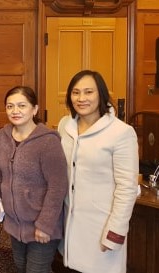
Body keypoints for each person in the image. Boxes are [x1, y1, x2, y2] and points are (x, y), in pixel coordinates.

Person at [57, 70, 139, 273]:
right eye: (75, 92)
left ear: (101, 94)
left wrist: (115, 232)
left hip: (101, 228)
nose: (81, 98)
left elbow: (127, 188)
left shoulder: (121, 132)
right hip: (68, 224)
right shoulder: (64, 126)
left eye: (88, 92)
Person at [0, 86, 68, 273]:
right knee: (21, 267)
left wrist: (45, 225)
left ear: (35, 109)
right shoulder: (1, 137)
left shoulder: (48, 141)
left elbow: (57, 186)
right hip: (15, 223)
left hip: (41, 224)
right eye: (10, 106)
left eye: (22, 105)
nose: (15, 111)